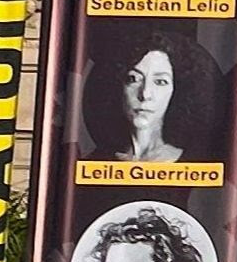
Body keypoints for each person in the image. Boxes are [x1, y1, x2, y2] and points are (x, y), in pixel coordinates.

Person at [83, 29, 215, 164]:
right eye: (133, 79)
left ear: (177, 91)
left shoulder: (198, 164)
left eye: (160, 82)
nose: (145, 94)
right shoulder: (94, 162)